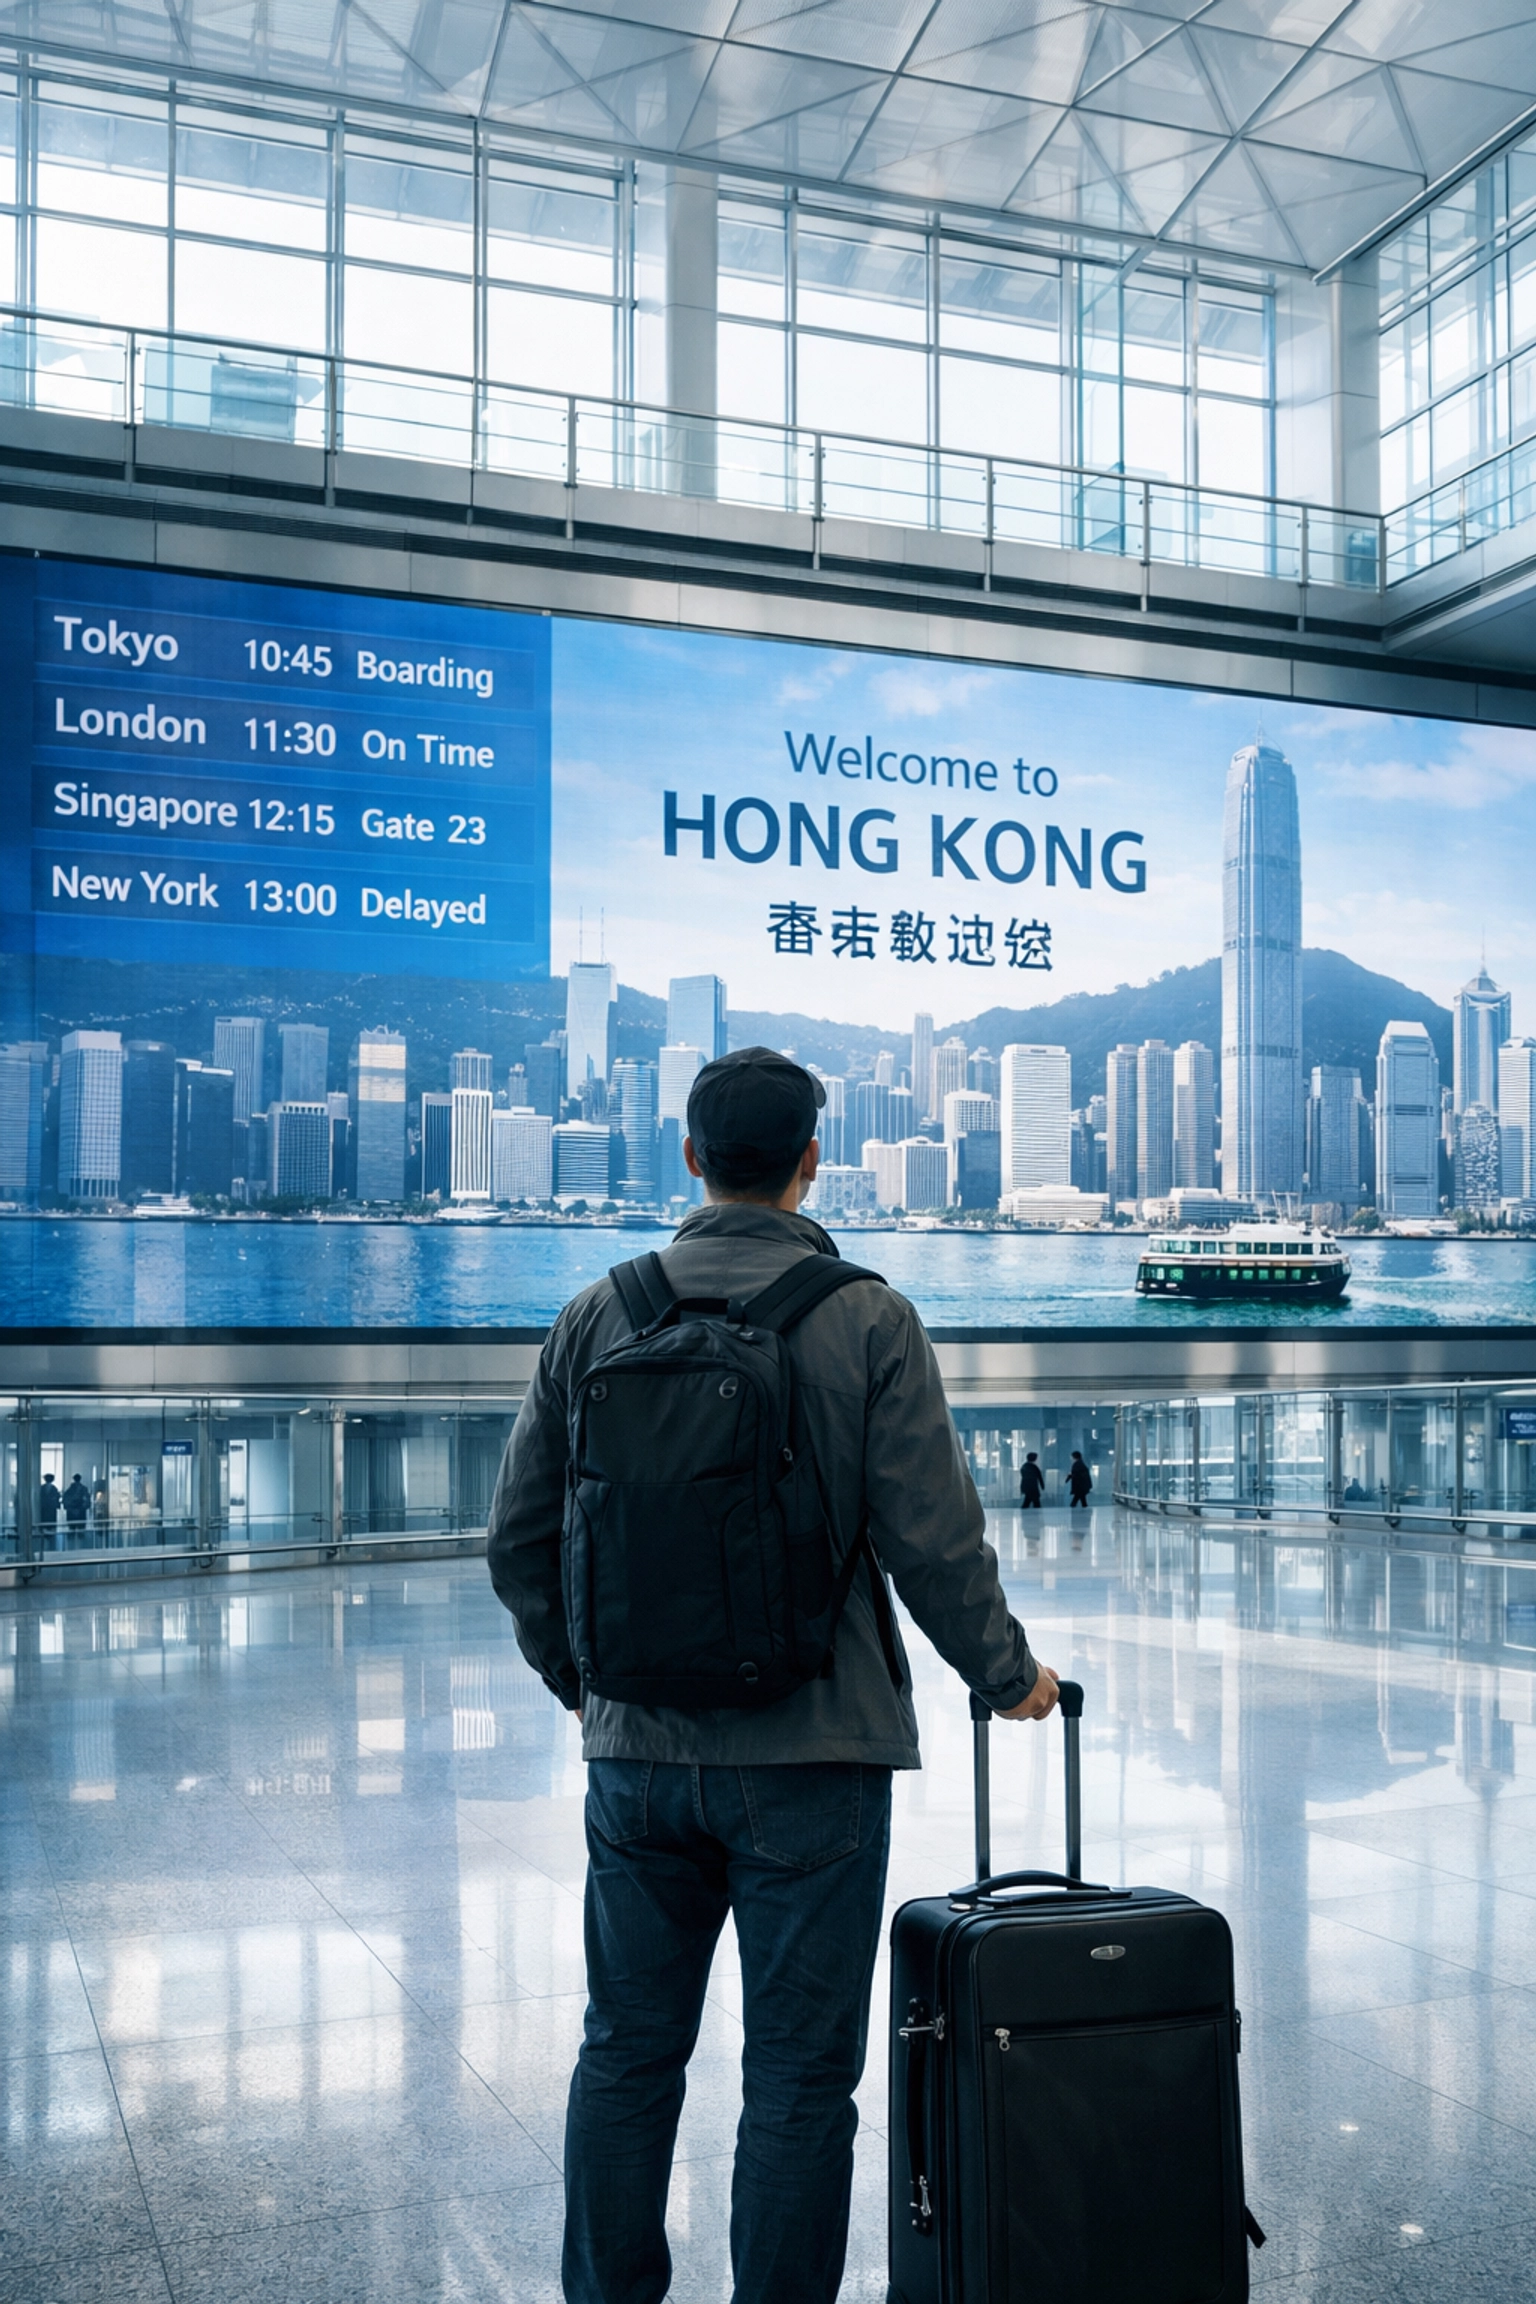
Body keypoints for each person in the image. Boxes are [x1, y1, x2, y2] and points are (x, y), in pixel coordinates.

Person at [488, 1046, 1058, 2304]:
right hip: (816, 1755)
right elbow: (933, 1539)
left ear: (690, 1156)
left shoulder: (599, 1311)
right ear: (813, 1161)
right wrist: (1008, 1676)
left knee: (627, 2056)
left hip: (636, 1759)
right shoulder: (866, 1315)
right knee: (799, 2080)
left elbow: (518, 1538)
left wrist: (588, 1685)